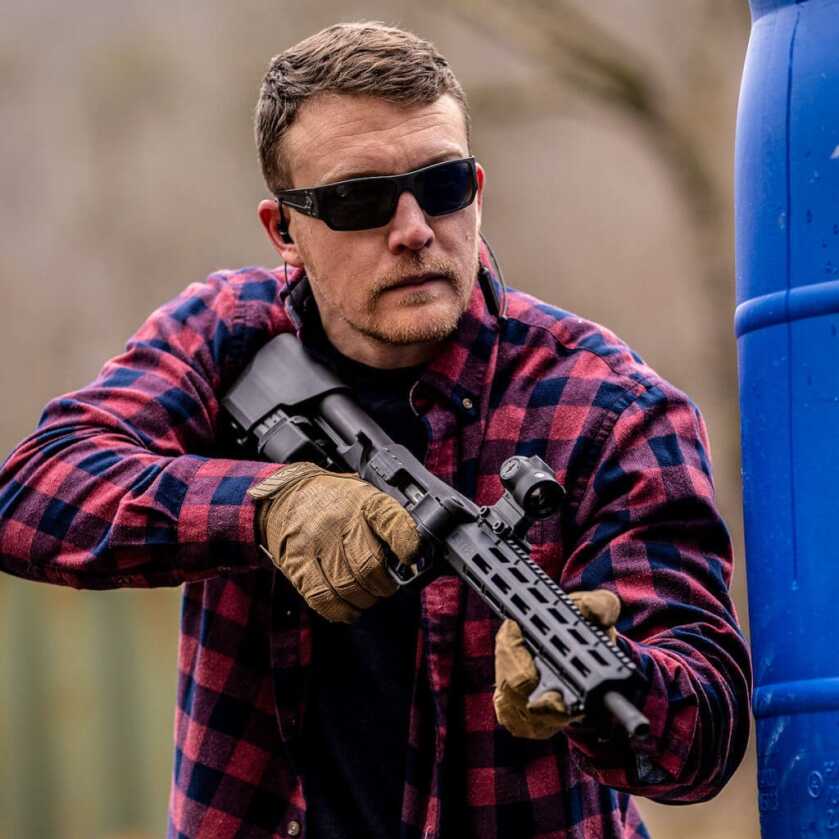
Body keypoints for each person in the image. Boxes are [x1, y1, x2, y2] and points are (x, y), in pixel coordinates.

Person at [0, 21, 751, 839]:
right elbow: (34, 492)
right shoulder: (230, 335)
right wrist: (269, 507)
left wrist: (615, 689)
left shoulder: (612, 407)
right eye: (359, 200)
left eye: (442, 184)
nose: (414, 229)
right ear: (283, 231)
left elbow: (701, 734)